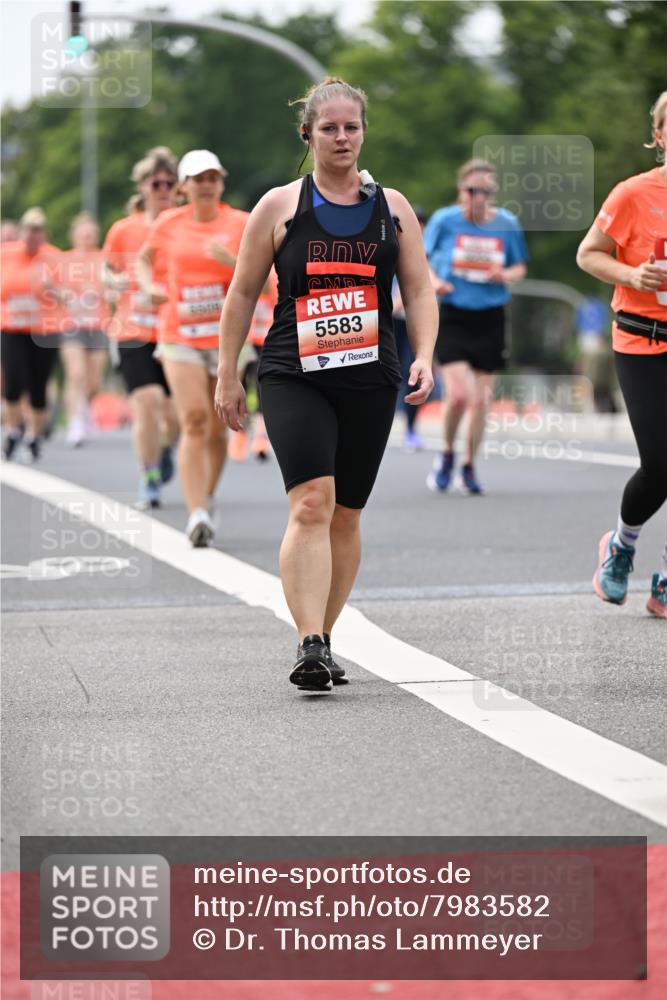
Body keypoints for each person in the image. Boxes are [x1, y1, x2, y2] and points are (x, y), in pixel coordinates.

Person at [215, 77, 438, 692]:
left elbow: (417, 289)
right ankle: (308, 641)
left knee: (346, 513)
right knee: (312, 500)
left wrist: (425, 355)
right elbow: (240, 293)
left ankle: (327, 636)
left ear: (364, 131)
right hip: (293, 372)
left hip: (371, 375)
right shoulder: (280, 206)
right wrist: (227, 372)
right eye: (329, 127)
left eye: (352, 127)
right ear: (307, 134)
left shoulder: (393, 208)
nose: (342, 137)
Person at [577, 91, 667, 619]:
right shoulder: (634, 193)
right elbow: (588, 253)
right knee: (661, 463)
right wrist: (632, 275)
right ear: (659, 136)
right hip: (642, 340)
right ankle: (622, 546)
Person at [138, 149, 250, 546]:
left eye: (212, 178)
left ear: (221, 182)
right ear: (184, 187)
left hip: (227, 339)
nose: (206, 185)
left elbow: (267, 280)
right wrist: (150, 286)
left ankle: (208, 494)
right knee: (196, 420)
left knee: (220, 428)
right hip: (179, 335)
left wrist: (232, 261)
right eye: (197, 179)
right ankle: (196, 512)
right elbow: (143, 260)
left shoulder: (240, 222)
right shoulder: (169, 223)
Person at [423, 158, 528, 494]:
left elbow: (520, 267)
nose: (479, 198)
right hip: (453, 313)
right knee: (457, 396)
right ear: (461, 191)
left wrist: (505, 275)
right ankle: (447, 454)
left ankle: (469, 464)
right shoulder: (444, 221)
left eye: (486, 191)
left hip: (490, 316)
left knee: (481, 400)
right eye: (472, 191)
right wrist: (435, 281)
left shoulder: (506, 223)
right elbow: (420, 261)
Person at [103, 146, 180, 508]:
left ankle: (166, 447)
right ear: (143, 187)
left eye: (169, 183)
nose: (162, 189)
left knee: (176, 413)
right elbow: (106, 268)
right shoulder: (124, 229)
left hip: (175, 329)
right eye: (156, 183)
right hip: (132, 329)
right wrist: (113, 282)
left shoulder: (184, 224)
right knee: (147, 402)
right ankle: (148, 475)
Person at [1, 207, 61, 461]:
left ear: (44, 235)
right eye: (28, 230)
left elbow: (72, 296)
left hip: (44, 330)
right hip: (12, 327)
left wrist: (53, 289)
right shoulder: (6, 254)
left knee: (38, 384)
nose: (32, 237)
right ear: (22, 232)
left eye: (38, 232)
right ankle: (14, 429)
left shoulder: (55, 258)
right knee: (13, 380)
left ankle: (34, 435)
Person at [59, 212, 109, 446]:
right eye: (83, 234)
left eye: (91, 234)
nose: (87, 238)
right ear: (75, 235)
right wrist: (66, 296)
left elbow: (114, 287)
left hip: (98, 324)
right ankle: (75, 421)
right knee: (76, 373)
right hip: (71, 324)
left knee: (94, 381)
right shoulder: (64, 260)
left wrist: (101, 292)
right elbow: (52, 289)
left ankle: (85, 408)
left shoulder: (104, 258)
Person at [393, 204, 429, 450]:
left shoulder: (430, 248)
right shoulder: (390, 241)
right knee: (387, 371)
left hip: (414, 321)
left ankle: (411, 428)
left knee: (414, 372)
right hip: (390, 319)